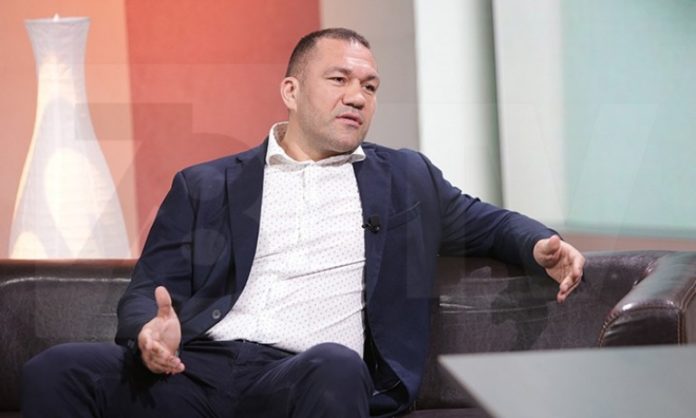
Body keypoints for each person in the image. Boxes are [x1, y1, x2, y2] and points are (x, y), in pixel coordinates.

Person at [21, 27, 584, 418]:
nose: (357, 96)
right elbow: (149, 290)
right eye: (339, 79)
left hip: (301, 377)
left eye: (369, 86)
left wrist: (541, 244)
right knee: (58, 368)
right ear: (291, 91)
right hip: (196, 369)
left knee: (338, 367)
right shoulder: (206, 184)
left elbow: (487, 222)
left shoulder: (405, 178)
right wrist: (149, 335)